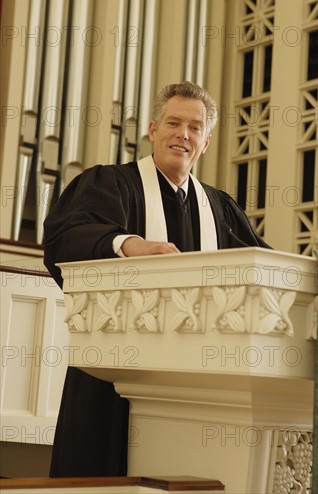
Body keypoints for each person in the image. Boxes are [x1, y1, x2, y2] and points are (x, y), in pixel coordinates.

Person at [44, 81, 271, 477]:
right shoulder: (109, 184)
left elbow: (262, 266)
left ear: (207, 141)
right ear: (153, 130)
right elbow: (64, 238)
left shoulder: (221, 210)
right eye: (173, 123)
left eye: (195, 128)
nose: (183, 134)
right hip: (116, 371)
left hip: (205, 376)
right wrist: (127, 244)